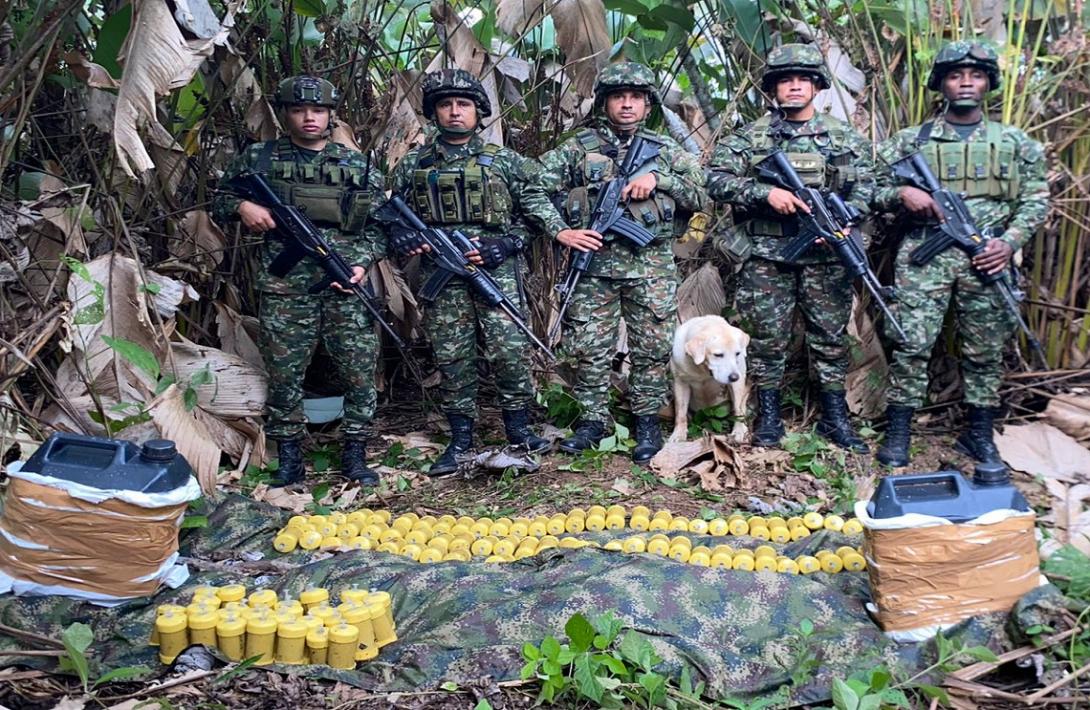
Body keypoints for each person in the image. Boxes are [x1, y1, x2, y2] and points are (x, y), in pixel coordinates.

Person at [873, 41, 1048, 467]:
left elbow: (1037, 198)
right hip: (925, 254)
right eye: (955, 75)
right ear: (942, 84)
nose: (966, 81)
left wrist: (1008, 243)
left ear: (989, 83)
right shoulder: (910, 141)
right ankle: (898, 433)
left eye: (976, 74)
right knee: (911, 343)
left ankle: (979, 434)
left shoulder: (1014, 142)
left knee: (985, 349)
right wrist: (902, 192)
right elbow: (866, 188)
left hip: (987, 254)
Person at [213, 76, 387, 487]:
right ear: (284, 113)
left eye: (319, 110)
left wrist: (361, 263)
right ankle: (289, 458)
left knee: (360, 371)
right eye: (299, 110)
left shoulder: (355, 165)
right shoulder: (258, 159)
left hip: (344, 286)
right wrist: (242, 206)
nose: (309, 118)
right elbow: (218, 199)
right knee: (286, 375)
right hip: (286, 287)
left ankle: (355, 454)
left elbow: (382, 227)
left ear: (331, 115)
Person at [534, 62, 707, 464]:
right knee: (589, 348)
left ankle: (646, 419)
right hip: (593, 268)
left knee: (651, 347)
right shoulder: (578, 148)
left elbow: (702, 194)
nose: (627, 105)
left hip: (651, 268)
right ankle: (593, 421)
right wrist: (561, 231)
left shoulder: (665, 151)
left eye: (635, 98)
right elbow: (532, 190)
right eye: (618, 97)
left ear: (647, 105)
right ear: (605, 102)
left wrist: (659, 180)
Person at [387, 68, 557, 476]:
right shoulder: (414, 164)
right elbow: (388, 216)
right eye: (445, 105)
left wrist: (506, 244)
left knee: (509, 351)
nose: (455, 112)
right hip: (440, 276)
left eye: (463, 104)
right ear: (434, 112)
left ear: (479, 112)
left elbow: (538, 214)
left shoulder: (505, 162)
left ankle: (519, 432)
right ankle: (460, 439)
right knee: (452, 356)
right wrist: (406, 240)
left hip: (493, 271)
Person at [706, 44, 875, 451]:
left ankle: (835, 417)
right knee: (765, 339)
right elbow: (714, 180)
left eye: (803, 79)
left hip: (825, 256)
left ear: (817, 86)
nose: (795, 86)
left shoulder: (842, 136)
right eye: (786, 80)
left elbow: (869, 185)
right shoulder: (751, 137)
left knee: (830, 338)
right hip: (766, 256)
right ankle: (768, 417)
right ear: (774, 89)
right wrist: (765, 194)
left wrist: (844, 215)